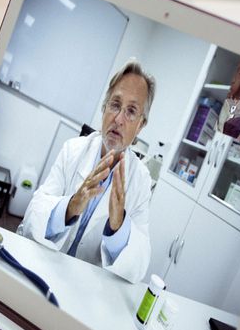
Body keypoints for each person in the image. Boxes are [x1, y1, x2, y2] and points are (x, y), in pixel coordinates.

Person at [18, 60, 157, 284]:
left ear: (141, 125)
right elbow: (33, 213)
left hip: (86, 289)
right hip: (44, 268)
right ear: (104, 108)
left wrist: (118, 226)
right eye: (115, 105)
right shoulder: (72, 150)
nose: (118, 119)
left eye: (131, 111)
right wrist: (71, 206)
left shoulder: (141, 181)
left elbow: (139, 267)